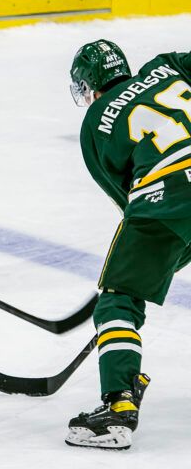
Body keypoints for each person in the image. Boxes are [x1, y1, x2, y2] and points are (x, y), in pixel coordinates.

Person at [64, 40, 191, 450]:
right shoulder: (168, 66)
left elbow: (129, 202)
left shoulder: (95, 123)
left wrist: (136, 274)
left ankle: (118, 406)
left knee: (119, 299)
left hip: (166, 196)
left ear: (91, 86)